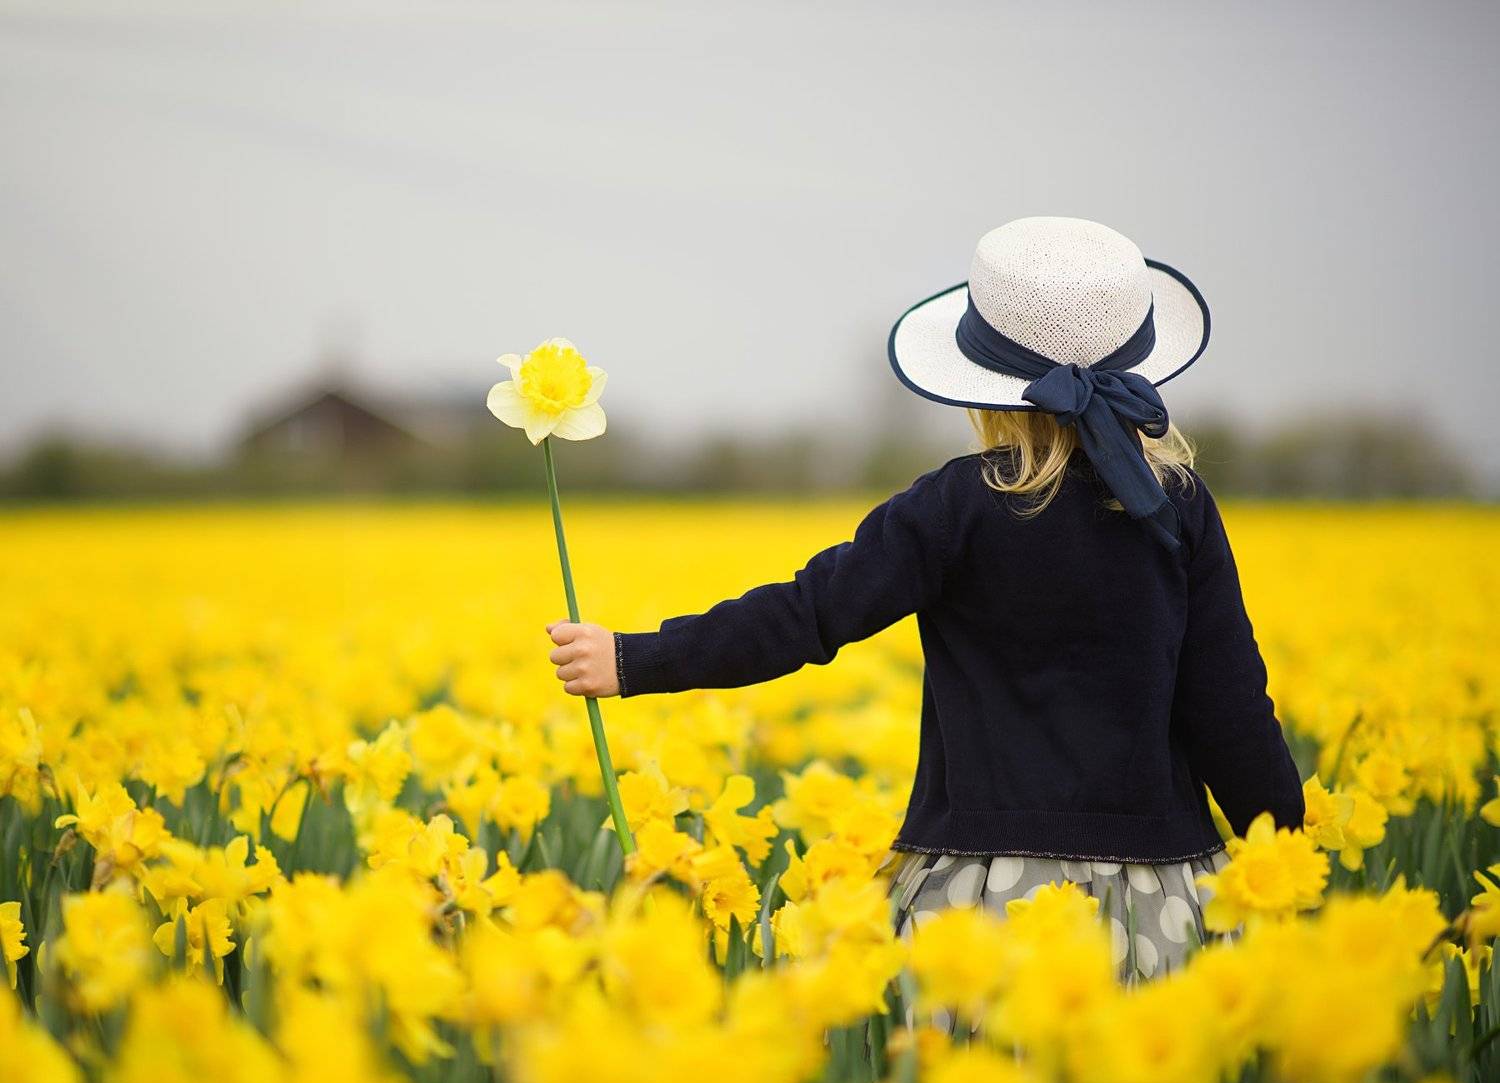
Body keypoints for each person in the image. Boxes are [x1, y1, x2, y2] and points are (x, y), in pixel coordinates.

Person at [542, 216, 1306, 995]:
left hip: (980, 903)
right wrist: (1285, 848)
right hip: (1156, 900)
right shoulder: (1178, 508)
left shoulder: (954, 506)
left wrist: (637, 659)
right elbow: (1231, 709)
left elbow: (807, 616)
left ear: (987, 391)